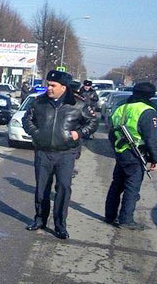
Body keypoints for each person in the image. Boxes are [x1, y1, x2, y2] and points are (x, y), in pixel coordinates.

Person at [23, 70, 98, 239]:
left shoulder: (78, 104)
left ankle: (60, 225)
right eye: (48, 84)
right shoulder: (39, 102)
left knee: (63, 188)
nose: (48, 88)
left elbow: (93, 121)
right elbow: (27, 119)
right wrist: (36, 132)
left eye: (52, 85)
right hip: (43, 153)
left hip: (66, 153)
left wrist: (79, 133)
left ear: (63, 87)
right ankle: (40, 220)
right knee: (42, 189)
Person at [104, 82, 157, 230]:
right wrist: (155, 158)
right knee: (132, 188)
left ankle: (109, 216)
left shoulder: (122, 108)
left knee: (116, 185)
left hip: (121, 152)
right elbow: (150, 138)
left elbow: (111, 133)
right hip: (136, 154)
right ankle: (126, 220)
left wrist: (117, 150)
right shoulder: (147, 111)